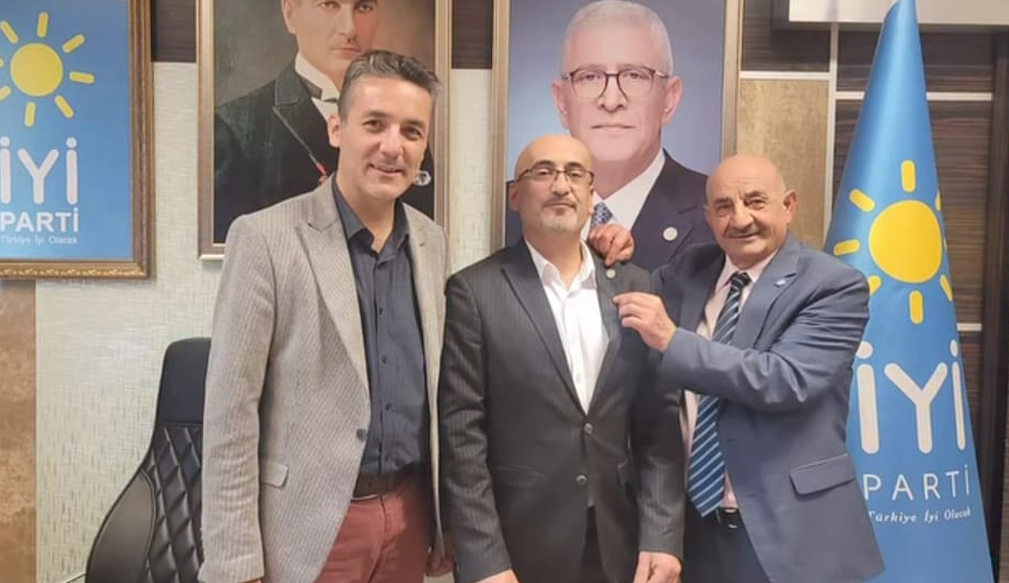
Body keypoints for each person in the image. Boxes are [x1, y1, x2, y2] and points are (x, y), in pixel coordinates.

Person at [200, 51, 450, 583]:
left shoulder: (431, 242)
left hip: (409, 517)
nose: (393, 147)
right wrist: (234, 563)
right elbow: (229, 413)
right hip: (308, 528)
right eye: (375, 124)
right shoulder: (265, 238)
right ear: (337, 128)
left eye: (412, 131)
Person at [614, 154, 885, 583]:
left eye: (755, 201)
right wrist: (609, 246)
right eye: (723, 207)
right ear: (708, 217)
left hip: (791, 534)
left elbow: (784, 379)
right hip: (694, 530)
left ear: (788, 205)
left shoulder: (833, 284)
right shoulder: (689, 269)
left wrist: (672, 340)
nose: (740, 219)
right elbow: (626, 288)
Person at [439, 134, 684, 583]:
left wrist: (662, 537)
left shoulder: (635, 285)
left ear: (591, 196)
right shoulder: (475, 291)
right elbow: (462, 438)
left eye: (574, 174)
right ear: (515, 195)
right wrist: (485, 561)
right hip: (517, 547)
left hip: (618, 542)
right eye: (543, 172)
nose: (560, 185)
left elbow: (657, 425)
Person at [507, 0, 713, 269]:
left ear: (669, 100)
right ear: (561, 103)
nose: (612, 100)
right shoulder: (510, 209)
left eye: (635, 76)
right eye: (590, 77)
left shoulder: (718, 215)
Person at [213, 0, 434, 244]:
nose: (349, 29)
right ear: (290, 13)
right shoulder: (235, 127)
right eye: (329, 4)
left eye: (363, 7)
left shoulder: (407, 132)